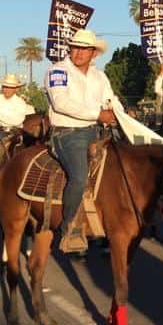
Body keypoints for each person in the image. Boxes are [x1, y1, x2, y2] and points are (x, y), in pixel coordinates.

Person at [45, 29, 117, 254]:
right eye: (75, 47)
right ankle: (69, 227)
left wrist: (121, 114)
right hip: (67, 134)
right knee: (79, 175)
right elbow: (61, 103)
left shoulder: (100, 76)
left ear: (93, 53)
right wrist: (98, 114)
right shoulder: (58, 71)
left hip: (96, 131)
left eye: (84, 49)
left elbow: (111, 99)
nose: (78, 52)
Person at [0, 74, 35, 178]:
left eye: (10, 87)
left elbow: (17, 120)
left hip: (15, 132)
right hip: (0, 132)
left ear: (16, 89)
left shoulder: (20, 103)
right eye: (5, 87)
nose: (7, 89)